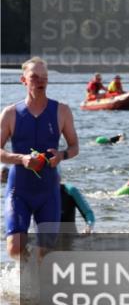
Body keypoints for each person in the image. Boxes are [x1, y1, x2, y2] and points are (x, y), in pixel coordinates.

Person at [0, 58, 80, 259]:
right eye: (34, 77)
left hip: (48, 191)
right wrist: (21, 159)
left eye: (44, 77)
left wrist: (61, 155)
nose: (40, 81)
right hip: (19, 189)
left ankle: (33, 283)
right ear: (23, 80)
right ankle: (23, 270)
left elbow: (75, 147)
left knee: (45, 253)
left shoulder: (62, 111)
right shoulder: (10, 113)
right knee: (15, 247)